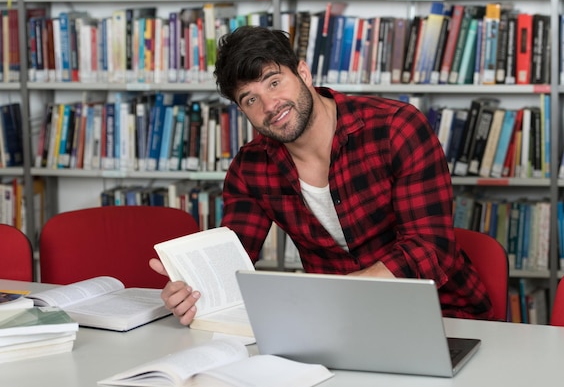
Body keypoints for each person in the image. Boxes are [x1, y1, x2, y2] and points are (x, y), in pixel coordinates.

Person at [149, 25, 494, 325]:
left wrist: (343, 292)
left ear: (303, 73)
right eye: (251, 99)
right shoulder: (251, 168)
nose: (269, 105)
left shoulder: (395, 128)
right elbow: (234, 256)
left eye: (274, 82)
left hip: (442, 313)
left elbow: (431, 248)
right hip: (338, 322)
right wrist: (195, 287)